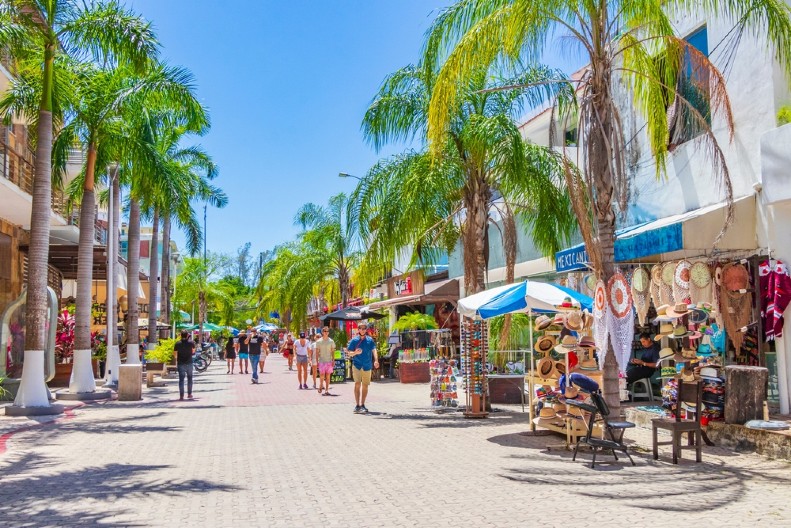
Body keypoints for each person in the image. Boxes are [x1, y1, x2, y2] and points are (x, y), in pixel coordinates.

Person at [347, 322, 379, 413]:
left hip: (367, 365)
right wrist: (355, 353)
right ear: (358, 329)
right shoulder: (354, 340)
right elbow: (349, 353)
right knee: (357, 383)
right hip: (357, 365)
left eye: (364, 328)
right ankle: (357, 405)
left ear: (366, 329)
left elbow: (374, 350)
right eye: (361, 328)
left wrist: (376, 360)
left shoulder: (370, 340)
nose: (362, 330)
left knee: (365, 385)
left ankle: (363, 404)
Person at [173, 330, 195, 400]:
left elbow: (175, 354)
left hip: (181, 363)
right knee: (190, 379)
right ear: (187, 335)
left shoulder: (177, 344)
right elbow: (193, 351)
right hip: (189, 362)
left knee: (181, 380)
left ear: (180, 335)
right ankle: (189, 394)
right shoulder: (191, 343)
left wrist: (178, 358)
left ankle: (181, 395)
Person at [315, 326, 336, 395]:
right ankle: (321, 385)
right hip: (321, 361)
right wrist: (317, 361)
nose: (326, 332)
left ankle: (326, 390)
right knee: (321, 375)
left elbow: (333, 351)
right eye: (325, 331)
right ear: (322, 332)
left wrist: (333, 360)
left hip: (329, 361)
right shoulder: (319, 341)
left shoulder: (331, 341)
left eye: (327, 331)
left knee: (328, 376)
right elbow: (317, 352)